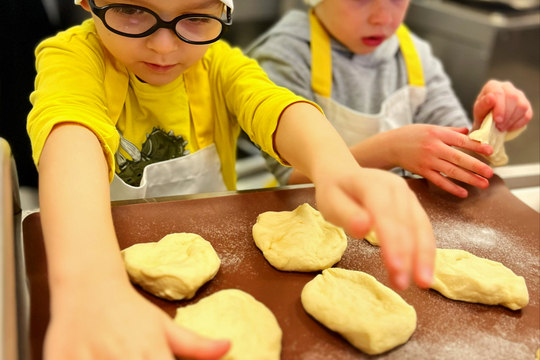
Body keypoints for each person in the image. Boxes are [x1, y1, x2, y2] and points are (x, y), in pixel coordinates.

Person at [27, 0, 437, 359]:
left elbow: (273, 104)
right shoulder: (74, 59)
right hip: (96, 254)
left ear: (224, 13)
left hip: (213, 253)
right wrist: (88, 283)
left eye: (197, 19)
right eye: (131, 11)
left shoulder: (219, 65)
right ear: (87, 2)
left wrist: (336, 167)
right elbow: (70, 130)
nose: (164, 45)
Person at [246, 0, 533, 198]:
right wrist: (390, 151)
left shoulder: (413, 55)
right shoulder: (284, 58)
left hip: (393, 218)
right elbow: (292, 179)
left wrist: (491, 125)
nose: (382, 18)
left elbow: (458, 161)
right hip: (310, 214)